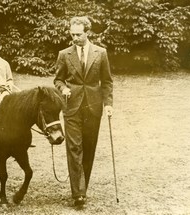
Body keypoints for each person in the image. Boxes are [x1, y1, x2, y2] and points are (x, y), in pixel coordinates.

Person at [54, 16, 113, 207]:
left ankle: (82, 187)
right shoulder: (64, 54)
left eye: (79, 34)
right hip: (71, 108)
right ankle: (78, 194)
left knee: (88, 149)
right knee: (74, 149)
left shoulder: (101, 53)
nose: (75, 38)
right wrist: (63, 89)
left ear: (87, 32)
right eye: (72, 34)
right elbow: (58, 80)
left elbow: (107, 81)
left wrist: (108, 104)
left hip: (93, 108)